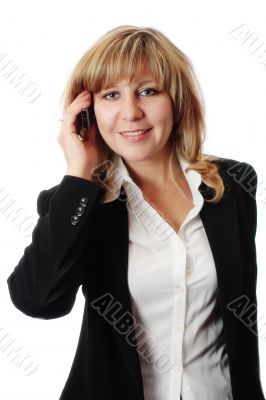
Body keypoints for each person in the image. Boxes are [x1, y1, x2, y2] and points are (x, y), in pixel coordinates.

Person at [7, 25, 265, 400]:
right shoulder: (79, 204)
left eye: (148, 91)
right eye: (111, 95)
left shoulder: (233, 186)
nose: (131, 112)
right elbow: (37, 301)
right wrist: (80, 172)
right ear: (87, 112)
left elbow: (240, 323)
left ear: (176, 99)